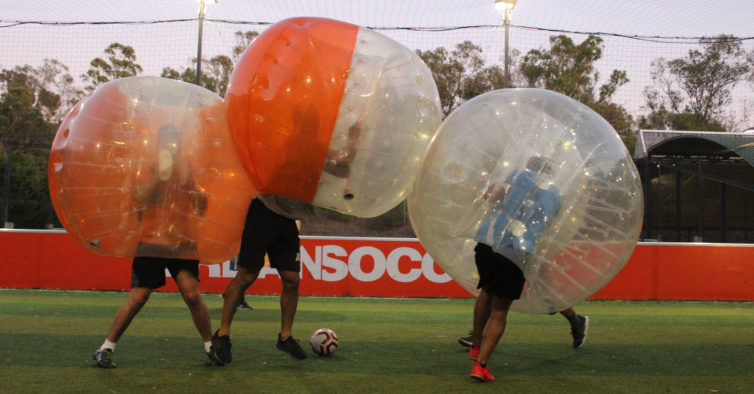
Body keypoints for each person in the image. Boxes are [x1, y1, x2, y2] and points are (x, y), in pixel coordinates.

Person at [92, 124, 220, 368]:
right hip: (151, 241)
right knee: (139, 297)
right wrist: (159, 176)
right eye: (167, 140)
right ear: (159, 142)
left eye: (175, 140)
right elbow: (139, 198)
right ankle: (105, 348)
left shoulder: (187, 168)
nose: (171, 145)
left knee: (192, 294)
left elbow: (201, 206)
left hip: (182, 241)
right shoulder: (147, 166)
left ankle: (211, 347)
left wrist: (188, 180)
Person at [466, 155, 587, 382]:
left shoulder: (517, 175)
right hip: (518, 249)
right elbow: (549, 223)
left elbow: (492, 196)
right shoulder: (556, 195)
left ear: (529, 166)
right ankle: (480, 365)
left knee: (486, 290)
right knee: (500, 309)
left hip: (488, 241)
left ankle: (475, 345)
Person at [211, 195, 312, 364]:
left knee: (292, 278)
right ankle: (222, 334)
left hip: (288, 216)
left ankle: (285, 337)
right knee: (247, 274)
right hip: (263, 211)